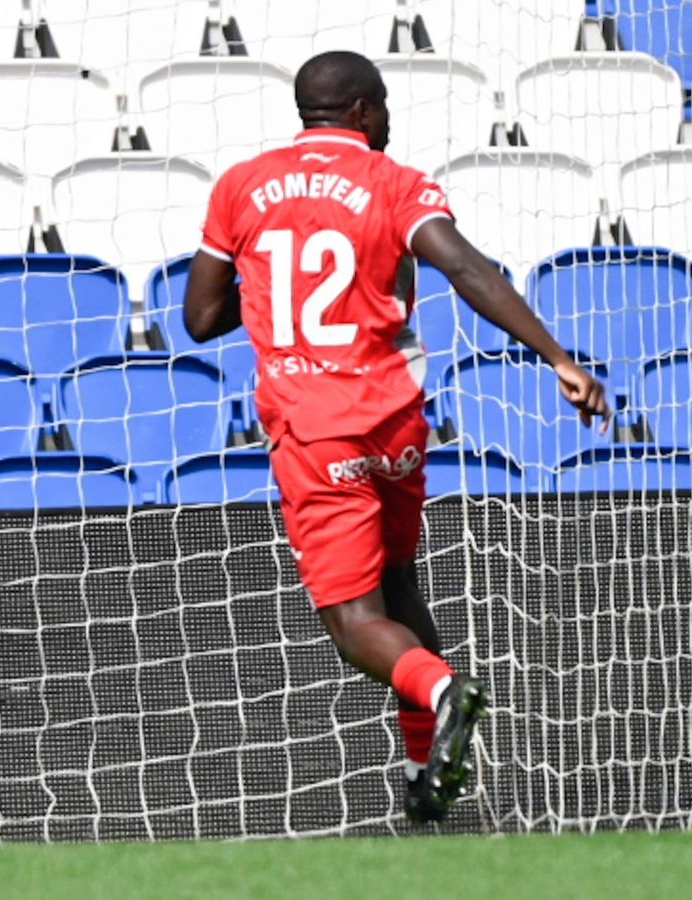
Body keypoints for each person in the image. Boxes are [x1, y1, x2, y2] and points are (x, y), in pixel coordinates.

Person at [183, 51, 609, 823]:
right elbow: (469, 271)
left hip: (317, 429)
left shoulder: (241, 186)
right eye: (384, 108)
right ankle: (424, 774)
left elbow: (200, 319)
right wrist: (558, 358)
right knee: (403, 580)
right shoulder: (395, 183)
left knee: (354, 626)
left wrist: (276, 288)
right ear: (363, 112)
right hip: (397, 425)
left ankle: (443, 691)